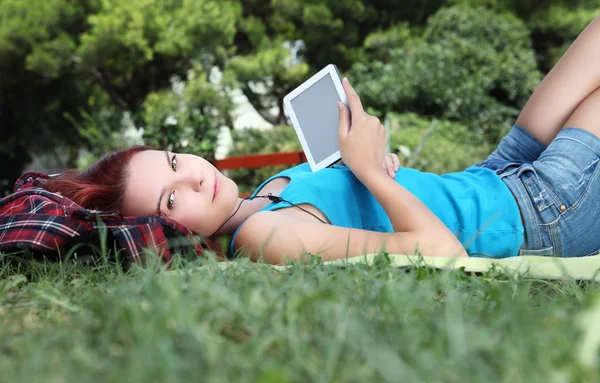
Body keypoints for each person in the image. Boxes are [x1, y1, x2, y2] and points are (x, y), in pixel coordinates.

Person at [44, 16, 600, 265]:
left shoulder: (257, 199)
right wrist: (371, 172)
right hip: (539, 214)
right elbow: (440, 251)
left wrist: (380, 170)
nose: (192, 174)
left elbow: (370, 205)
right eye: (172, 198)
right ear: (168, 229)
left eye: (172, 160)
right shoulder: (263, 236)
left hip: (495, 176)